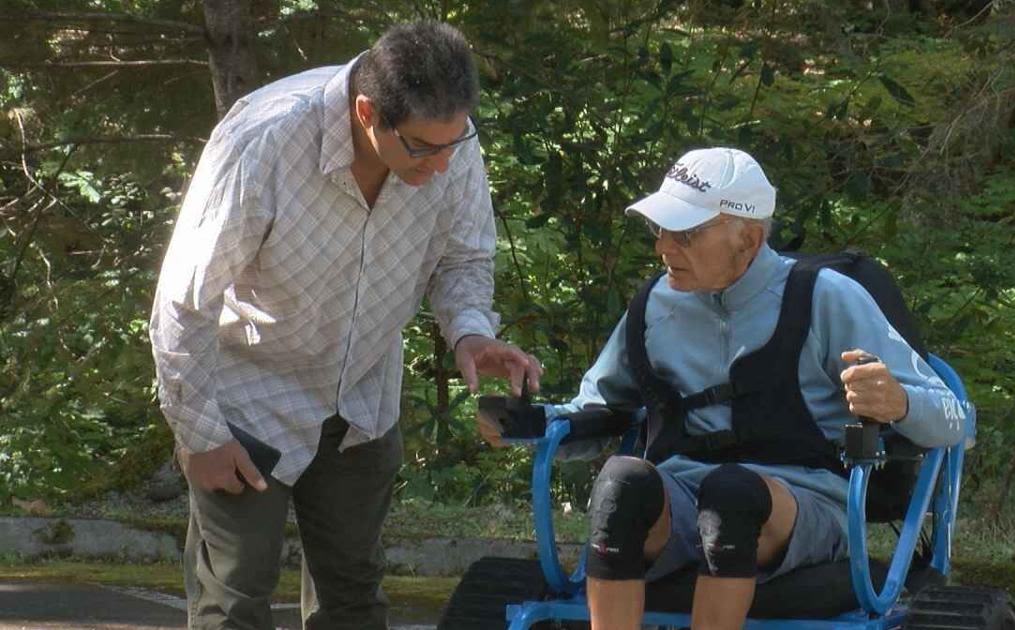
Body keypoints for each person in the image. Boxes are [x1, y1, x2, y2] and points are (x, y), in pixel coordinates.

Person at [149, 21, 541, 630]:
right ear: (366, 112)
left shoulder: (450, 141)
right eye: (420, 148)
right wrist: (199, 436)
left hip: (361, 403)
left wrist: (469, 331)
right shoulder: (267, 138)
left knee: (354, 599)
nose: (441, 166)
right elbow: (183, 301)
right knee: (234, 600)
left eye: (452, 145)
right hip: (247, 405)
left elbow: (463, 256)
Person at [480, 147, 964, 630]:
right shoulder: (653, 306)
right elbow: (596, 411)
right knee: (622, 483)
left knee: (731, 494)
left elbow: (956, 418)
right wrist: (527, 422)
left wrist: (899, 403)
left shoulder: (825, 298)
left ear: (748, 238)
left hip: (803, 507)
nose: (663, 247)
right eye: (660, 229)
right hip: (683, 502)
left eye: (686, 233)